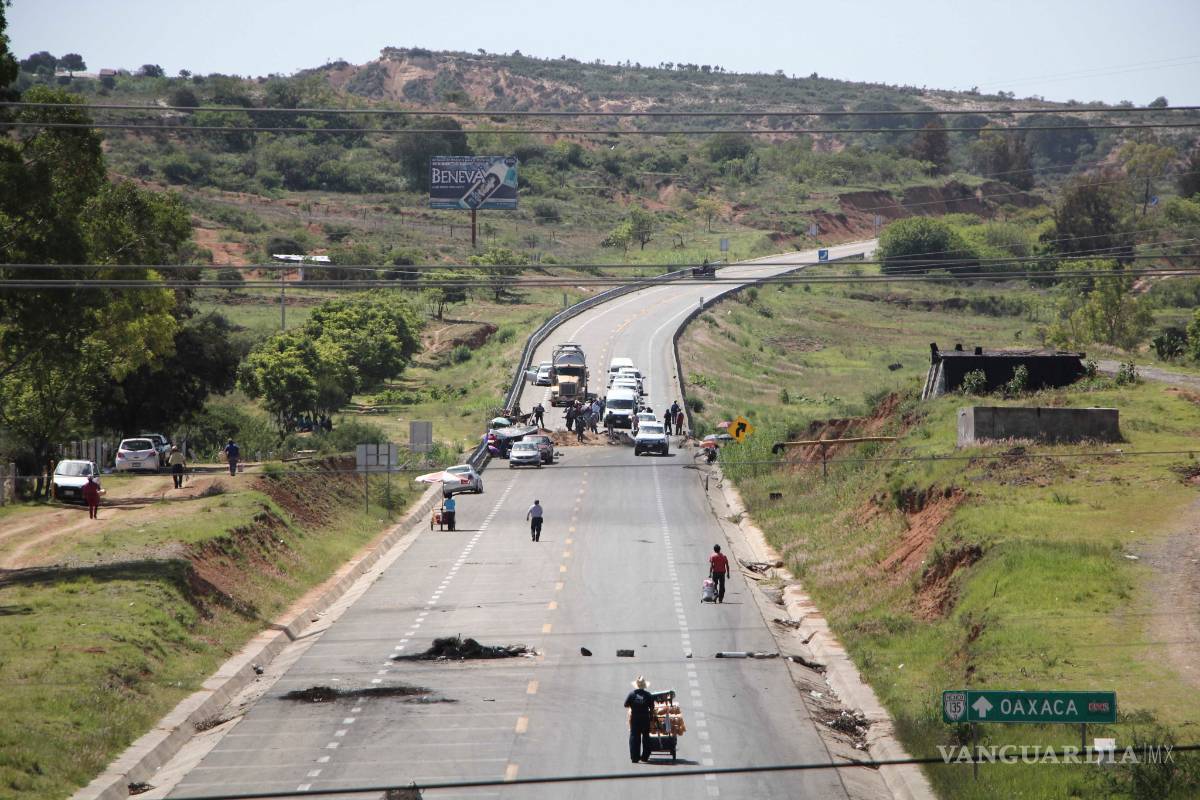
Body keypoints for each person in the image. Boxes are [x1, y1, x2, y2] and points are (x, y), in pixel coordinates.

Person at [624, 676, 655, 763]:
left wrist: (633, 706)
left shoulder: (632, 694)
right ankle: (645, 757)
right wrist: (651, 718)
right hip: (645, 719)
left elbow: (625, 704)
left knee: (634, 737)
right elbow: (652, 708)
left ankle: (635, 757)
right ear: (644, 686)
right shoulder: (648, 695)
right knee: (646, 737)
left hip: (635, 719)